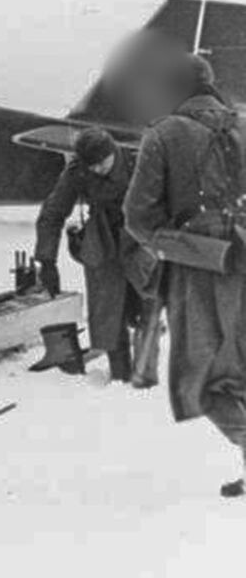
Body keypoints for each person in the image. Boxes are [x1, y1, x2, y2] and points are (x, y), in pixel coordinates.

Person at [123, 56, 246, 497]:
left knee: (205, 379)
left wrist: (184, 245)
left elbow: (138, 216)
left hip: (202, 273)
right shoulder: (243, 124)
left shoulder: (165, 133)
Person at [34, 128, 155, 384]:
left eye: (103, 162)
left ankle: (145, 375)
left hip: (139, 237)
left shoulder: (139, 161)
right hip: (102, 241)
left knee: (149, 303)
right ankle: (121, 375)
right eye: (93, 166)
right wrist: (47, 260)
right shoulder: (78, 171)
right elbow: (53, 213)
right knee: (108, 312)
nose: (98, 169)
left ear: (114, 152)